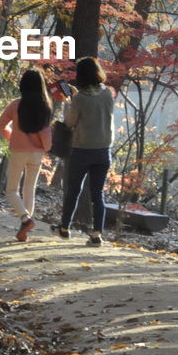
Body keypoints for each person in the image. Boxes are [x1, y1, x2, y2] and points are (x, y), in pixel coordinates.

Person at [56, 56, 115, 247]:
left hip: (82, 150)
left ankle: (65, 228)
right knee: (98, 194)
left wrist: (68, 102)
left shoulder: (79, 99)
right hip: (104, 150)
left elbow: (70, 123)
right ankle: (97, 234)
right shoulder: (108, 94)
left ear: (81, 75)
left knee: (74, 190)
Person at [0, 68, 54, 242]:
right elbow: (46, 135)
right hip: (37, 154)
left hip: (18, 152)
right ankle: (24, 231)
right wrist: (46, 148)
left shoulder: (16, 104)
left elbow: (1, 125)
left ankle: (25, 219)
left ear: (23, 85)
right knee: (29, 190)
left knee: (11, 191)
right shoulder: (45, 107)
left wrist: (11, 136)